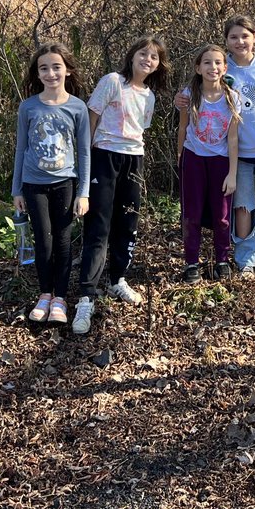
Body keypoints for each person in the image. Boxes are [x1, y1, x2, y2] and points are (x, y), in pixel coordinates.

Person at [179, 15, 255, 276]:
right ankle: (246, 261)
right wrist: (181, 100)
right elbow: (197, 89)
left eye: (245, 36)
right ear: (226, 41)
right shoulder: (222, 66)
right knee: (243, 208)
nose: (240, 42)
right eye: (233, 37)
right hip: (236, 155)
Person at [72, 35, 170, 335]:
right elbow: (91, 119)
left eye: (154, 57)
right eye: (143, 53)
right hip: (104, 156)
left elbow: (139, 131)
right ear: (132, 55)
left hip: (134, 160)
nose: (147, 60)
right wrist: (85, 161)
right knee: (98, 225)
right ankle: (86, 296)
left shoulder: (149, 96)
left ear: (158, 65)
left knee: (127, 222)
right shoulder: (112, 82)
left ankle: (117, 279)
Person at [11, 42, 91, 327]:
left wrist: (83, 192)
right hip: (34, 184)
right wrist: (16, 189)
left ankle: (60, 298)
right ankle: (45, 294)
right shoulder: (28, 107)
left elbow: (84, 152)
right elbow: (21, 149)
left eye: (56, 67)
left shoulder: (77, 107)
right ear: (37, 73)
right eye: (43, 68)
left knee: (63, 240)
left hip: (64, 184)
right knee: (43, 241)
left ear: (67, 70)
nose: (50, 73)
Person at [175, 44, 240, 283]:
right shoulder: (189, 94)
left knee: (221, 215)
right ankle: (191, 262)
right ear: (198, 68)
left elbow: (232, 138)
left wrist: (232, 173)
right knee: (192, 213)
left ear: (225, 68)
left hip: (221, 161)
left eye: (217, 62)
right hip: (193, 158)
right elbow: (183, 127)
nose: (213, 67)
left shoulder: (232, 98)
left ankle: (222, 259)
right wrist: (180, 155)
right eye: (207, 62)